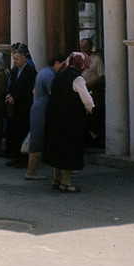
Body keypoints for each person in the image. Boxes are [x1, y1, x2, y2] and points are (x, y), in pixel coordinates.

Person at [43, 51, 95, 192]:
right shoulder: (77, 78)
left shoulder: (60, 75)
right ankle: (66, 182)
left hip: (55, 117)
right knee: (70, 149)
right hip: (70, 119)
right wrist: (89, 109)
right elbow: (88, 100)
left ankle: (56, 179)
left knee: (57, 147)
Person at [25, 53, 65, 180]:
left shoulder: (43, 72)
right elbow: (53, 93)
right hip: (42, 110)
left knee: (38, 140)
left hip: (38, 108)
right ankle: (30, 171)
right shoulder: (49, 75)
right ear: (56, 63)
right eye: (62, 64)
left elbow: (34, 92)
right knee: (37, 141)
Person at [5, 43, 36, 167]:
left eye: (17, 59)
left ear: (24, 58)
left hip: (24, 107)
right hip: (15, 108)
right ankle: (15, 156)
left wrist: (16, 99)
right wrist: (9, 95)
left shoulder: (30, 72)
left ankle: (24, 159)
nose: (15, 61)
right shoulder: (15, 71)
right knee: (14, 132)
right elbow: (12, 85)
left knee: (23, 131)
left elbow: (28, 90)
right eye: (14, 59)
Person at [80, 37, 105, 147]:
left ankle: (97, 140)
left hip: (93, 90)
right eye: (81, 47)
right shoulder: (79, 59)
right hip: (81, 90)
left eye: (85, 47)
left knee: (95, 113)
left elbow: (101, 76)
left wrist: (90, 84)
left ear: (90, 47)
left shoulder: (97, 59)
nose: (83, 49)